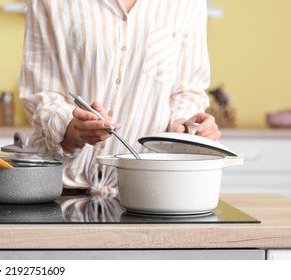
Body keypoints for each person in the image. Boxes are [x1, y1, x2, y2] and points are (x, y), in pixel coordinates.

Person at [18, 0, 220, 196]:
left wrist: (185, 123)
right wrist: (71, 129)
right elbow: (41, 92)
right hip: (57, 186)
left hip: (149, 190)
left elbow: (188, 90)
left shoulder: (189, 3)